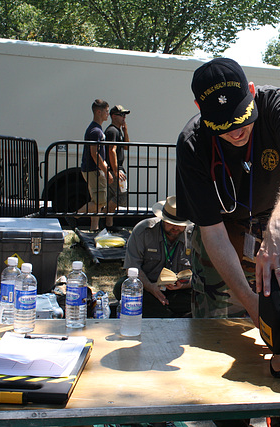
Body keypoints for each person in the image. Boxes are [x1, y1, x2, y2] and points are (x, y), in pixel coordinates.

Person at [176, 57, 280, 326]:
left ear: (251, 91)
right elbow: (212, 232)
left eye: (241, 119)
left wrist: (278, 228)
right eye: (223, 127)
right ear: (199, 109)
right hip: (224, 232)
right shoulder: (191, 143)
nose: (237, 132)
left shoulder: (276, 104)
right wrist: (250, 303)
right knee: (215, 330)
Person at [113, 196, 193, 318]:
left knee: (202, 295)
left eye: (180, 225)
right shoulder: (143, 230)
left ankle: (159, 313)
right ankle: (172, 315)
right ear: (162, 219)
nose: (175, 228)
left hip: (179, 291)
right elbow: (132, 267)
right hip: (148, 287)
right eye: (171, 223)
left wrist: (185, 284)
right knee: (121, 287)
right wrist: (151, 287)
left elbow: (202, 273)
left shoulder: (194, 235)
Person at [77, 99, 112, 231]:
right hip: (93, 169)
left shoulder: (96, 129)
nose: (107, 114)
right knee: (100, 201)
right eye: (106, 112)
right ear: (99, 112)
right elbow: (94, 153)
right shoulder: (95, 131)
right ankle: (75, 215)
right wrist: (106, 170)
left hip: (94, 169)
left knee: (97, 200)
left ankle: (94, 228)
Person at [104, 104, 130, 229]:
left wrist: (125, 131)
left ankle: (109, 224)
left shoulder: (118, 131)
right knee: (122, 196)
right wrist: (115, 170)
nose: (124, 117)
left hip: (117, 168)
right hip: (115, 169)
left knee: (112, 197)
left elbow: (126, 146)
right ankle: (103, 216)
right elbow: (111, 150)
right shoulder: (112, 131)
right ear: (113, 116)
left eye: (125, 115)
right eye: (121, 115)